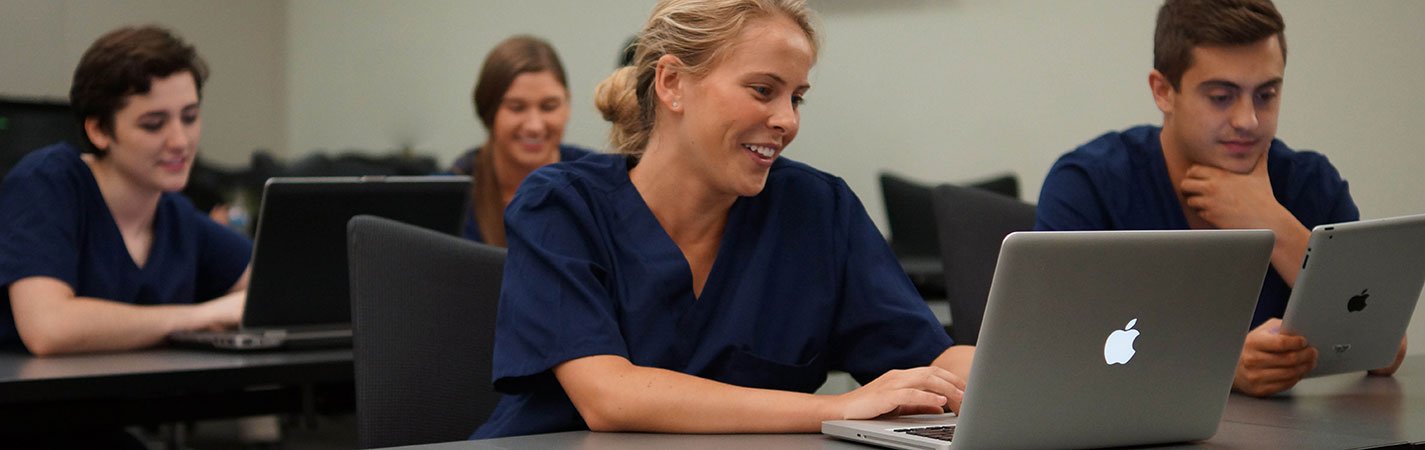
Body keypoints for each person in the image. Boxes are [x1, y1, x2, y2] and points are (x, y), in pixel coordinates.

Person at [472, 0, 974, 439]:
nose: (788, 120)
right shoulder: (561, 207)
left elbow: (930, 363)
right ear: (671, 83)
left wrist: (1004, 372)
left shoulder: (818, 211)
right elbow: (610, 398)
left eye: (796, 97)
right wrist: (836, 409)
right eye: (762, 90)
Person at [1035, 0, 1405, 397]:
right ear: (1163, 91)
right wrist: (1222, 367)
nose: (1248, 120)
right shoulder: (1089, 184)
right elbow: (1054, 352)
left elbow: (1386, 350)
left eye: (1266, 94)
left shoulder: (1311, 183)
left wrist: (1272, 222)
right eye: (1221, 97)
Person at [0, 26, 251, 357]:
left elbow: (281, 288)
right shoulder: (45, 183)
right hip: (46, 406)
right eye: (153, 124)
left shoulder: (177, 216)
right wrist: (201, 316)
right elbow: (49, 328)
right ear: (99, 130)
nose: (180, 141)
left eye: (189, 118)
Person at [449, 35, 596, 246]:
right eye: (516, 107)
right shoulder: (455, 192)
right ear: (489, 112)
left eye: (549, 106)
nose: (534, 126)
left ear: (567, 105)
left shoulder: (598, 181)